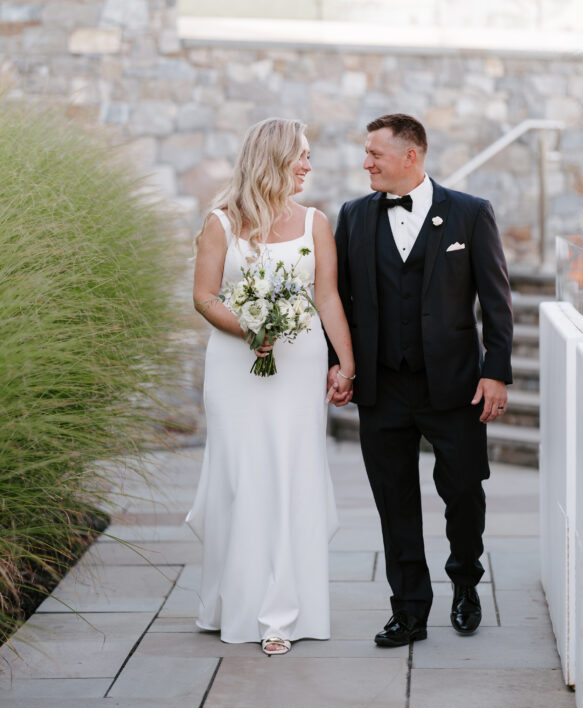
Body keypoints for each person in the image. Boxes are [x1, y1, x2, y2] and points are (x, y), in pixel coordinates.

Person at [328, 113, 513, 647]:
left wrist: (495, 372)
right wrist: (339, 364)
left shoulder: (470, 214)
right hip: (382, 388)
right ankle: (408, 610)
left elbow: (497, 304)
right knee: (395, 501)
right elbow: (337, 299)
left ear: (411, 156)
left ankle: (465, 583)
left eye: (375, 154)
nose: (366, 162)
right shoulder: (355, 216)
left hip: (455, 387)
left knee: (463, 492)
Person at [187, 118, 355, 656]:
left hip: (299, 367)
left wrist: (344, 365)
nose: (308, 165)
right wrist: (250, 328)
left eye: (309, 156)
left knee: (289, 475)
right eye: (300, 156)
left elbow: (328, 299)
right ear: (273, 158)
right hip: (236, 369)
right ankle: (230, 601)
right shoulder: (220, 223)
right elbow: (205, 297)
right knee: (242, 478)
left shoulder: (315, 223)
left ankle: (280, 612)